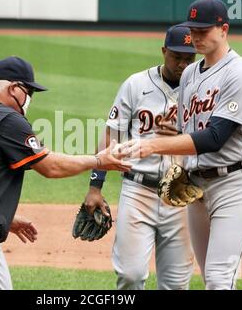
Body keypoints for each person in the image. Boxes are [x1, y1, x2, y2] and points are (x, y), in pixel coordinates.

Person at [0, 56, 131, 290]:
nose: (29, 100)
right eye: (29, 92)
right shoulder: (6, 119)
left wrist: (2, 217)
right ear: (14, 88)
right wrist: (99, 159)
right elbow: (50, 166)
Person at [122, 0, 242, 290]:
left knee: (218, 278)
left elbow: (214, 138)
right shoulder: (189, 74)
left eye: (204, 31)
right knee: (213, 277)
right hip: (197, 189)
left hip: (233, 184)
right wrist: (180, 162)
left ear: (224, 29)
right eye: (193, 30)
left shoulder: (240, 73)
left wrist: (152, 146)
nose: (196, 37)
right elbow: (188, 130)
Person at [84, 26, 196, 290]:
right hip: (138, 191)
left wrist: (182, 135)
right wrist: (94, 187)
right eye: (176, 56)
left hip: (182, 194)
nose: (182, 64)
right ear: (164, 51)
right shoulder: (136, 85)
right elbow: (111, 136)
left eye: (188, 59)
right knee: (130, 276)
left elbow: (215, 139)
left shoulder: (201, 91)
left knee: (177, 285)